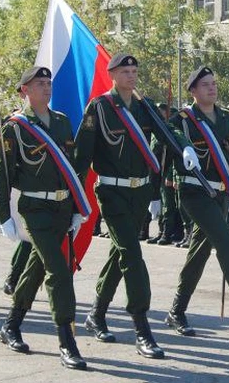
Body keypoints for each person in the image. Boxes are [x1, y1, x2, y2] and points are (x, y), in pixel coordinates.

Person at [74, 53, 198, 359]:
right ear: (112, 74)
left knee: (121, 253)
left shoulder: (144, 107)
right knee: (132, 254)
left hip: (139, 193)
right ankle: (142, 328)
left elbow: (169, 131)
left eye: (134, 70)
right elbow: (81, 156)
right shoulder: (99, 108)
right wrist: (74, 201)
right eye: (125, 71)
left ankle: (96, 314)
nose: (132, 75)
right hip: (112, 193)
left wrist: (185, 147)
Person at [0, 66, 89, 370]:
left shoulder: (61, 122)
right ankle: (67, 340)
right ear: (25, 90)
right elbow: (2, 171)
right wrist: (3, 213)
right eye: (39, 84)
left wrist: (76, 209)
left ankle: (11, 325)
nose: (46, 88)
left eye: (48, 83)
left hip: (61, 209)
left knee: (36, 268)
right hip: (34, 210)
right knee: (59, 272)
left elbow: (71, 169)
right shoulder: (16, 127)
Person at [164, 66, 229, 336]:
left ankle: (176, 311)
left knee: (199, 252)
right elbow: (166, 139)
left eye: (213, 83)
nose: (212, 88)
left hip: (221, 194)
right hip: (194, 193)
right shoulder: (183, 120)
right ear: (193, 91)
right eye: (205, 85)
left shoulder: (226, 119)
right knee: (225, 241)